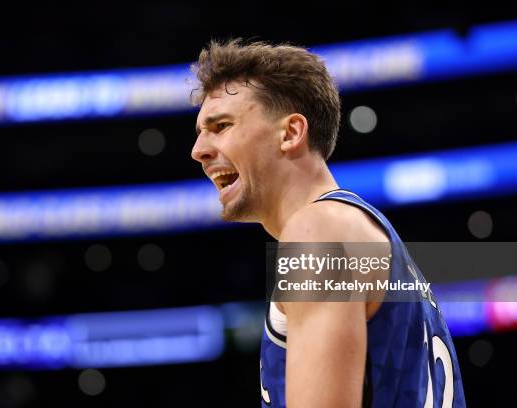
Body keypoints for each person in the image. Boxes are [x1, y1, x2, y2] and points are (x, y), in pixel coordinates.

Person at [190, 39, 466, 407]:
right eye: (200, 133)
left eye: (221, 126)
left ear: (290, 133)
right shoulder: (355, 229)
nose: (199, 151)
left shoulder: (318, 229)